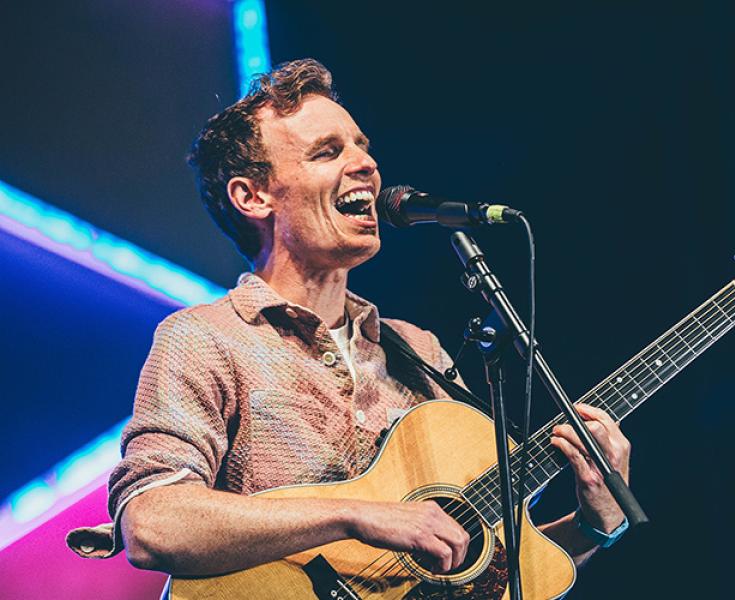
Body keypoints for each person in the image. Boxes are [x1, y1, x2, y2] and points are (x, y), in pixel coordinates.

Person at [67, 59, 632, 581]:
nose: (366, 163)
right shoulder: (207, 338)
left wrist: (590, 528)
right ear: (253, 196)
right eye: (327, 151)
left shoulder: (417, 351)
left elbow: (479, 570)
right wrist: (357, 515)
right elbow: (153, 523)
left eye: (362, 146)